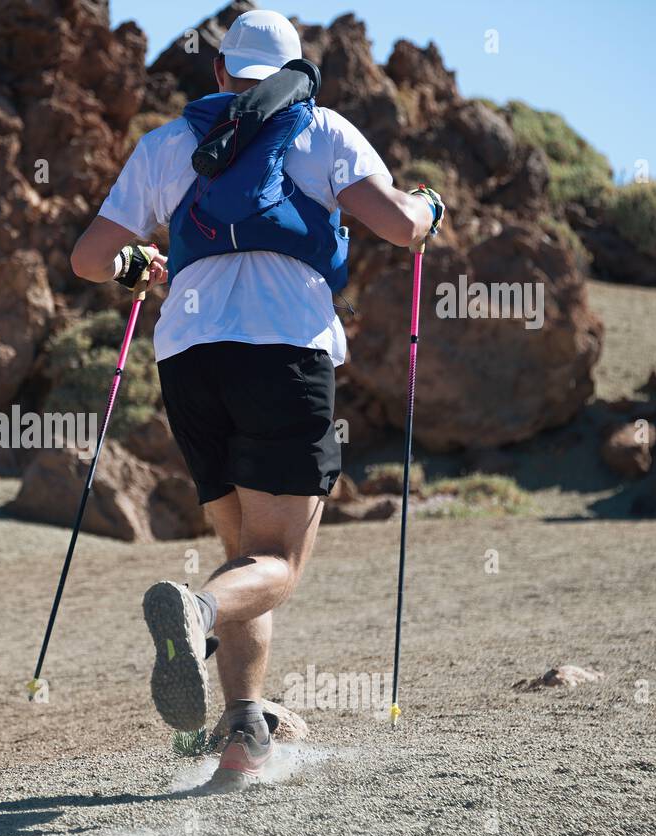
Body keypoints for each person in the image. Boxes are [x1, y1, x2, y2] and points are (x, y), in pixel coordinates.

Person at [69, 9, 444, 791]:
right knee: (277, 561)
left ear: (220, 74)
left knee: (245, 552)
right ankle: (198, 618)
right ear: (297, 72)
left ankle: (242, 731)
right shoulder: (324, 131)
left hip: (190, 357)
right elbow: (400, 227)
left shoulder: (169, 143)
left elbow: (89, 258)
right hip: (283, 350)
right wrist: (428, 206)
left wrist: (140, 260)